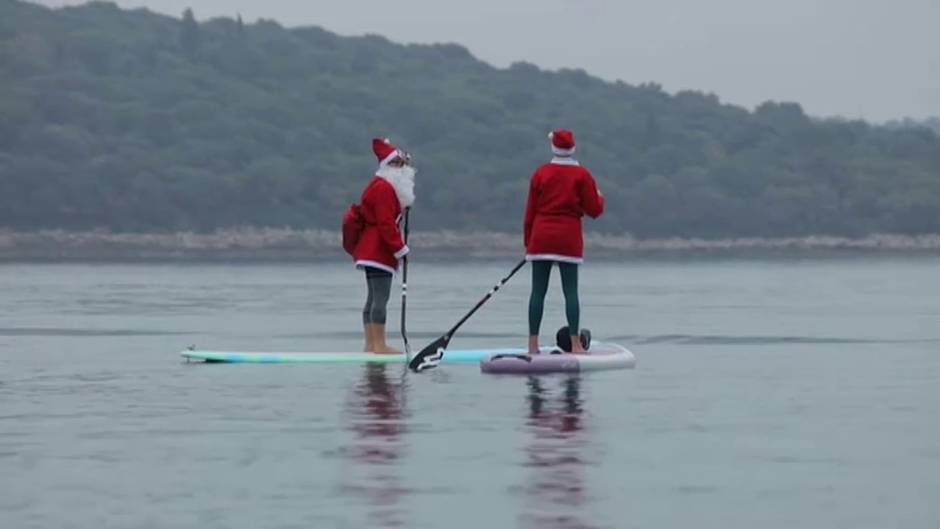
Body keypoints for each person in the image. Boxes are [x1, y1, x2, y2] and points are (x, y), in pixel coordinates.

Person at [523, 129, 604, 355]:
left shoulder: (541, 173)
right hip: (568, 238)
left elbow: (530, 211)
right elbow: (594, 210)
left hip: (541, 236)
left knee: (538, 291)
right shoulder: (582, 175)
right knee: (571, 292)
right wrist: (599, 196)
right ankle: (576, 344)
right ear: (573, 148)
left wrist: (528, 241)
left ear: (553, 148)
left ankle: (532, 345)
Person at [352, 137, 416, 353]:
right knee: (380, 298)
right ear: (388, 166)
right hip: (378, 250)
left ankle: (370, 345)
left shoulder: (379, 186)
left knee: (372, 298)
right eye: (398, 165)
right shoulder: (384, 189)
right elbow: (386, 223)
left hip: (370, 249)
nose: (403, 169)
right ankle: (379, 345)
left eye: (403, 165)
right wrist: (400, 249)